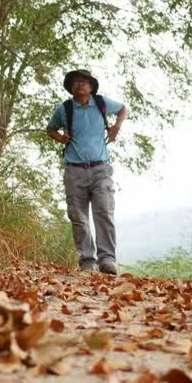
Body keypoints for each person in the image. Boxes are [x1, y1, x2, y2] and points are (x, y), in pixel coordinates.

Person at [45, 69, 128, 275]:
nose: (80, 85)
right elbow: (50, 129)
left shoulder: (101, 103)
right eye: (76, 82)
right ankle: (87, 261)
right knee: (78, 217)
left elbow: (123, 109)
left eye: (84, 82)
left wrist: (116, 126)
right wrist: (60, 138)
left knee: (104, 212)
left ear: (91, 86)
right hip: (74, 171)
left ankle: (107, 260)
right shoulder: (64, 109)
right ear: (71, 87)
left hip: (101, 169)